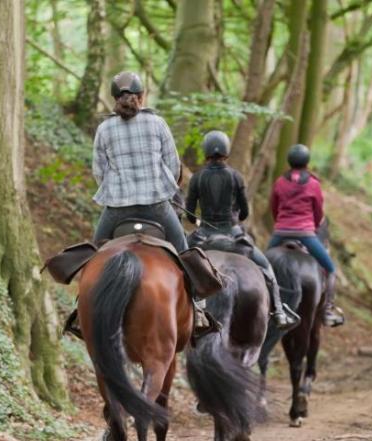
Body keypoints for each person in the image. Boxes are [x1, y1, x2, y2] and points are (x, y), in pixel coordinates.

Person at [91, 71, 213, 332]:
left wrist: (115, 189)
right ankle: (199, 309)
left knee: (94, 256)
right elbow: (173, 165)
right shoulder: (157, 124)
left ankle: (82, 311)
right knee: (184, 252)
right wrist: (166, 186)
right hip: (156, 207)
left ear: (114, 98)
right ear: (141, 96)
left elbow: (98, 171)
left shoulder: (104, 129)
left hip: (116, 211)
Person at [185, 130, 299, 330]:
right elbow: (245, 211)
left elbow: (190, 215)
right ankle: (279, 312)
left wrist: (198, 222)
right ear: (227, 152)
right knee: (266, 269)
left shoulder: (197, 178)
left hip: (204, 237)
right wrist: (235, 218)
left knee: (177, 264)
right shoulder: (236, 176)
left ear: (205, 152)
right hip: (233, 236)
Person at [268, 144, 345, 327]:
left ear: (289, 161)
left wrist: (280, 222)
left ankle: (267, 304)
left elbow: (273, 207)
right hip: (306, 234)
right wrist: (313, 225)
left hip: (281, 232)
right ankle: (327, 309)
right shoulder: (313, 184)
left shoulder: (279, 182)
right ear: (307, 162)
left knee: (261, 266)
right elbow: (318, 211)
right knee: (330, 268)